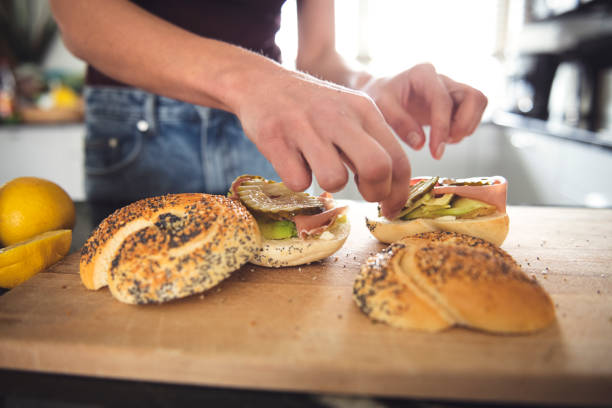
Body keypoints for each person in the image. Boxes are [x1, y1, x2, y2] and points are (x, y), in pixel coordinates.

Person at [49, 0, 487, 219]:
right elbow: (81, 15)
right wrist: (254, 83)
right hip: (140, 131)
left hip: (264, 130)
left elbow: (319, 56)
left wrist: (368, 87)